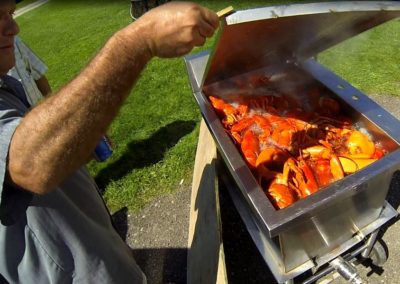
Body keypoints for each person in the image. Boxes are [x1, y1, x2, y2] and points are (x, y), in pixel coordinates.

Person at [0, 1, 218, 283]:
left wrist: (72, 139)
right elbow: (28, 166)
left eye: (10, 13)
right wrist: (139, 39)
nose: (13, 27)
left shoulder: (8, 85)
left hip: (101, 257)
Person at [8, 35, 52, 106]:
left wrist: (51, 102)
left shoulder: (15, 39)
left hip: (41, 107)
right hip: (19, 115)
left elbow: (37, 73)